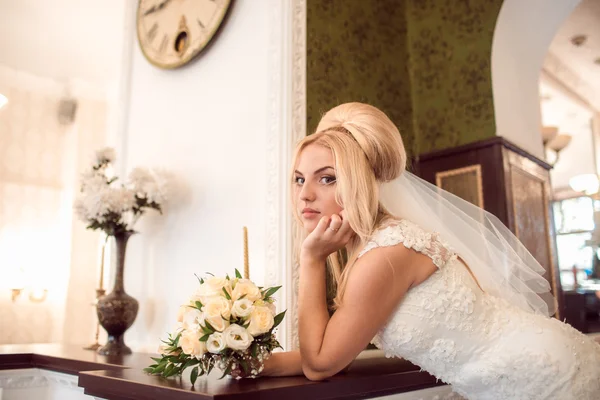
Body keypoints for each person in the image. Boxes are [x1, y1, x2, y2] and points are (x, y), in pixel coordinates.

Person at [260, 102, 600, 399]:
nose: (305, 195)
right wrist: (249, 361)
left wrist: (311, 258)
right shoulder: (382, 243)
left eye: (327, 178)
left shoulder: (387, 252)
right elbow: (338, 348)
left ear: (359, 181)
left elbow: (320, 364)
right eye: (299, 179)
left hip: (541, 378)